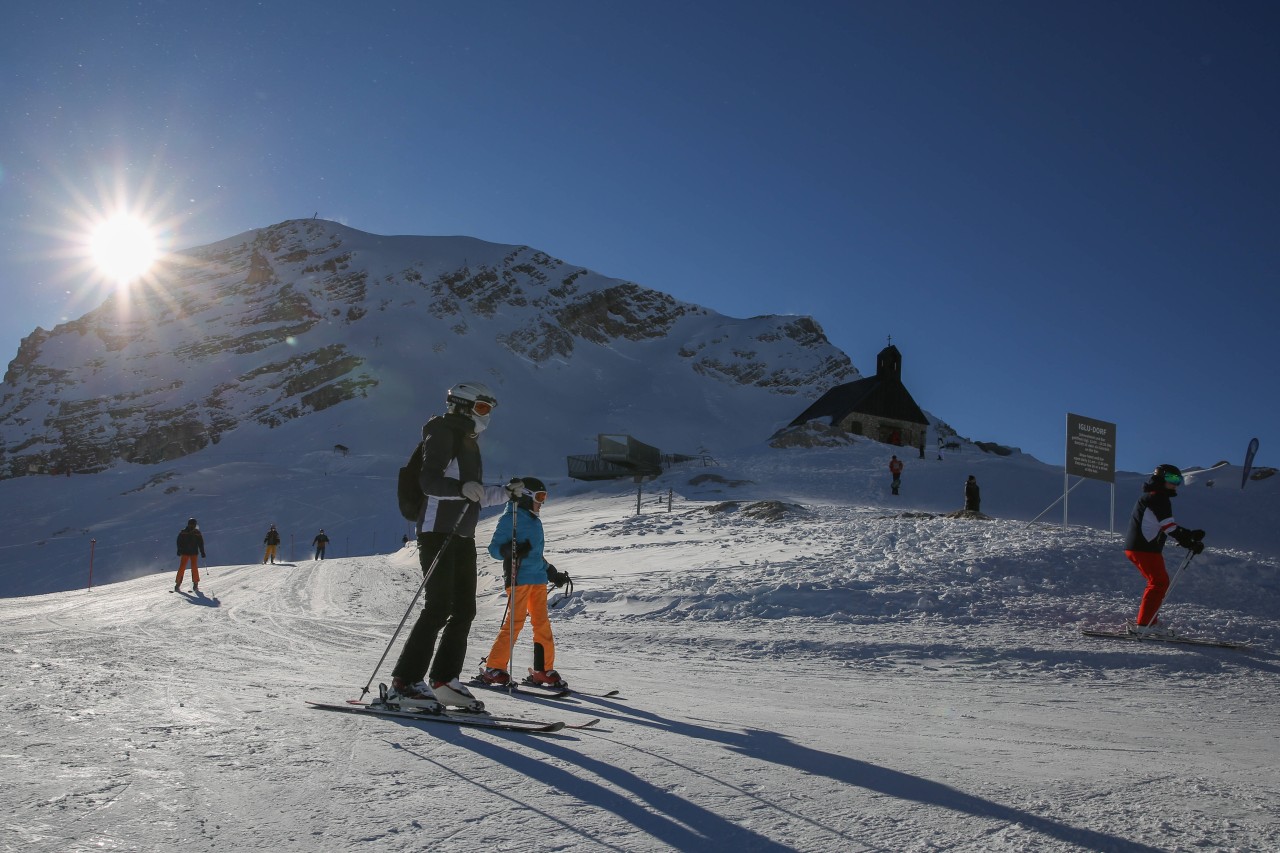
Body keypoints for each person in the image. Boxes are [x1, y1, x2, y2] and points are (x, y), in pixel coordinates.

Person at [385, 381, 520, 711]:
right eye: (483, 408)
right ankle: (403, 684)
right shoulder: (443, 431)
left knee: (464, 609)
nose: (486, 416)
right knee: (438, 606)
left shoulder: (469, 441)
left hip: (462, 533)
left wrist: (504, 492)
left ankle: (444, 680)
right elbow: (429, 482)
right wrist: (464, 490)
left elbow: (471, 493)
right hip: (437, 530)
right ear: (464, 406)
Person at [478, 477, 572, 689]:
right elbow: (494, 549)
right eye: (539, 497)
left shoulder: (534, 521)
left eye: (544, 497)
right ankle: (495, 667)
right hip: (518, 577)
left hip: (537, 578)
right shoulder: (509, 519)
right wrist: (510, 550)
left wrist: (552, 572)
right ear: (525, 497)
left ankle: (543, 669)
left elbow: (537, 555)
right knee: (515, 623)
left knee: (542, 624)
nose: (542, 503)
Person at [1123, 464, 1205, 633]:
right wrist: (1189, 541)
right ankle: (1146, 625)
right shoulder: (1158, 498)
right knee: (1159, 583)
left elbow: (1163, 524)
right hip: (1144, 548)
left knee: (1158, 582)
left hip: (1140, 547)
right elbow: (1168, 527)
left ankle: (1147, 621)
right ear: (1161, 478)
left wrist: (1189, 535)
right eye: (1172, 479)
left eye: (1179, 480)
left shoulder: (1153, 496)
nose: (1175, 484)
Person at [175, 517, 206, 593]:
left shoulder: (196, 533)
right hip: (186, 552)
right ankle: (178, 583)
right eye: (191, 525)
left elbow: (200, 543)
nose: (192, 526)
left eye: (193, 525)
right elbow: (179, 542)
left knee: (192, 567)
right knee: (184, 567)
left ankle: (194, 583)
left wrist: (202, 551)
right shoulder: (184, 532)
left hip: (192, 553)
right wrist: (179, 549)